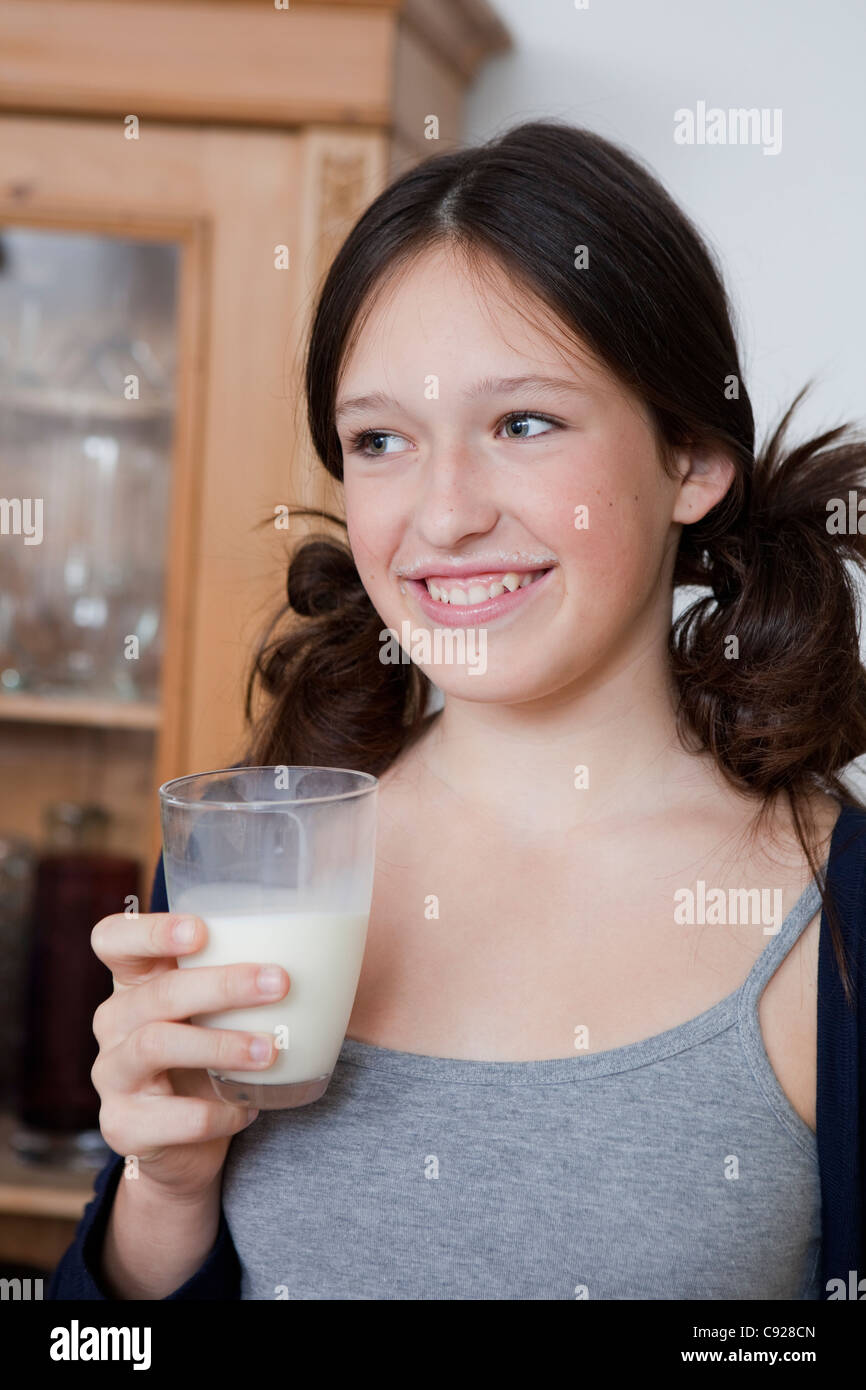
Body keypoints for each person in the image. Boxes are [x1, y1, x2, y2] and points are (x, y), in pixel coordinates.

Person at [49, 119, 866, 1301]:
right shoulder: (258, 867)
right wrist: (160, 1197)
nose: (440, 516)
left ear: (688, 456)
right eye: (379, 440)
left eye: (521, 424)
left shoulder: (832, 911)